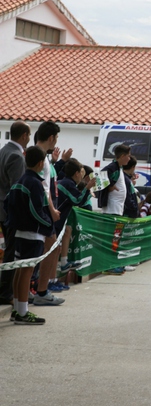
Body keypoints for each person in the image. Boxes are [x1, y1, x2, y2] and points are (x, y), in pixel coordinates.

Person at [6, 146, 53, 324]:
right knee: (27, 271)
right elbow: (36, 210)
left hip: (19, 232)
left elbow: (7, 203)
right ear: (41, 163)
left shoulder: (19, 181)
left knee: (20, 270)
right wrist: (48, 224)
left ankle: (17, 309)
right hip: (32, 235)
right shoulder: (34, 183)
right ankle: (23, 313)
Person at [32, 121, 65, 307]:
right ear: (51, 137)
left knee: (47, 248)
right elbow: (43, 189)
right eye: (56, 137)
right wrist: (52, 210)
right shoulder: (40, 158)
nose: (56, 141)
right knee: (49, 247)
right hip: (42, 212)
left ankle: (36, 289)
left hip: (44, 211)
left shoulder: (43, 157)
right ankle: (41, 291)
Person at [0, 121, 31, 305]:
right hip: (9, 212)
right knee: (11, 253)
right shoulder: (16, 156)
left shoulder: (3, 151)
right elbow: (17, 189)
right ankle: (6, 293)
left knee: (8, 251)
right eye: (29, 135)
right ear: (24, 135)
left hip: (2, 209)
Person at [55, 158, 97, 278]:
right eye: (81, 172)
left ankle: (63, 263)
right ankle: (50, 281)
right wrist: (87, 188)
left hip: (59, 221)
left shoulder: (66, 182)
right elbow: (77, 200)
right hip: (56, 221)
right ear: (77, 173)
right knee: (53, 251)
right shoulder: (67, 184)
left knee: (67, 231)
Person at [97, 144, 132, 216]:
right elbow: (99, 175)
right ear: (122, 156)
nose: (129, 159)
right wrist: (110, 185)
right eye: (128, 156)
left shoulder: (119, 167)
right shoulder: (113, 166)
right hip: (111, 208)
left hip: (117, 208)